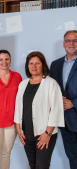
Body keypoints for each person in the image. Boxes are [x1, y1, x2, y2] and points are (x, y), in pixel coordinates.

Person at [14, 51, 64, 169]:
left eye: (37, 63)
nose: (34, 66)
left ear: (43, 65)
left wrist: (48, 133)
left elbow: (56, 110)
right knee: (32, 165)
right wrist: (18, 128)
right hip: (27, 133)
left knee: (42, 166)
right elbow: (18, 106)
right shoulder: (22, 84)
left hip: (44, 133)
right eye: (31, 63)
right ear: (27, 66)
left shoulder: (51, 83)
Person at [49, 30, 77, 169]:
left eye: (75, 40)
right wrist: (57, 99)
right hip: (65, 120)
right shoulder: (55, 65)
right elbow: (50, 89)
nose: (71, 43)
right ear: (63, 43)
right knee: (72, 156)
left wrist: (73, 103)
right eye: (68, 40)